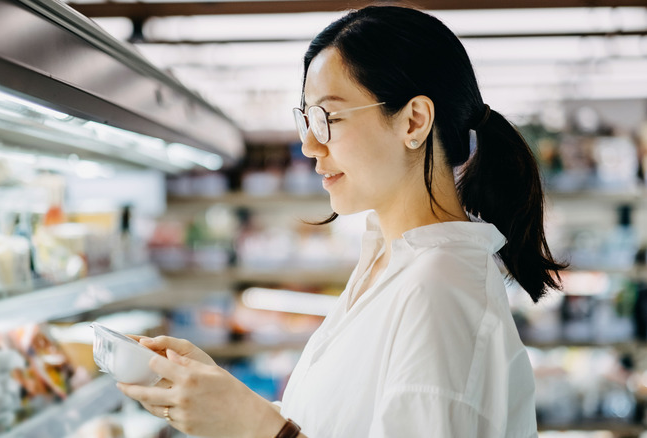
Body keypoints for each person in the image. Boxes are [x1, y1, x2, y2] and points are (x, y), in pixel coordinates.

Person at [118, 5, 566, 437]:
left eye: (329, 117)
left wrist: (254, 429)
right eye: (307, 119)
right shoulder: (391, 260)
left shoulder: (438, 293)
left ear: (414, 121)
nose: (310, 145)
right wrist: (226, 400)